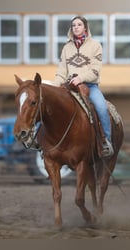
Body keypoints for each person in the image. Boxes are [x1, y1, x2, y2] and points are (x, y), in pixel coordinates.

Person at [53, 16, 114, 158]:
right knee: (49, 103)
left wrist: (81, 78)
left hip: (89, 86)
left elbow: (95, 71)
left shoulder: (95, 46)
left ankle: (107, 141)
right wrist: (54, 86)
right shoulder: (67, 48)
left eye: (79, 24)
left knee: (101, 107)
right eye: (73, 25)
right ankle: (40, 140)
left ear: (85, 28)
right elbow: (61, 71)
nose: (76, 27)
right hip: (69, 86)